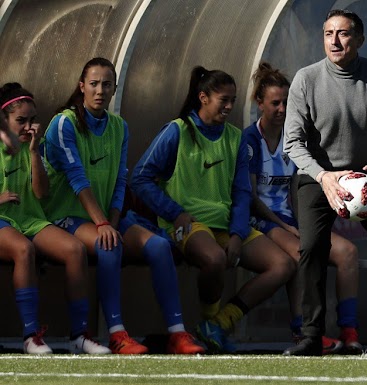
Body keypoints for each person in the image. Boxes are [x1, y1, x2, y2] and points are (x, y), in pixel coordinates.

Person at [43, 57, 204, 355]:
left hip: (106, 218)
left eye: (106, 84)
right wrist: (104, 225)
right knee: (109, 245)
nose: (100, 90)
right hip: (67, 217)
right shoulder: (64, 122)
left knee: (157, 246)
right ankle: (117, 334)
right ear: (82, 87)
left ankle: (177, 333)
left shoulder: (119, 126)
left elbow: (120, 181)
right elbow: (77, 179)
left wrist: (112, 221)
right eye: (93, 84)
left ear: (115, 88)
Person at [130, 66, 296, 354]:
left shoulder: (236, 138)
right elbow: (141, 178)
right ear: (203, 97)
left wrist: (237, 233)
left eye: (233, 100)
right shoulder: (177, 131)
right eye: (224, 100)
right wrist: (175, 213)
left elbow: (243, 193)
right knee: (215, 259)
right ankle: (208, 324)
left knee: (283, 266)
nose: (230, 106)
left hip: (225, 224)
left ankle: (217, 324)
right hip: (188, 224)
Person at [283, 9, 367, 357]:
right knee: (312, 249)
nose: (335, 41)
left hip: (366, 176)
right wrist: (324, 176)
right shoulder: (305, 79)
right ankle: (311, 337)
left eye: (343, 34)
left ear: (359, 39)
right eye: (328, 33)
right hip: (318, 177)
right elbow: (293, 143)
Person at [244, 62, 361, 355]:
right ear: (259, 103)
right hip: (262, 221)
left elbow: (296, 189)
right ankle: (305, 332)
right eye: (275, 103)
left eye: (287, 102)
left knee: (347, 252)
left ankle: (350, 332)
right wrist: (287, 227)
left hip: (289, 221)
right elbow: (252, 199)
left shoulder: (294, 138)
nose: (283, 109)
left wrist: (304, 222)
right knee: (302, 254)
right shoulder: (249, 139)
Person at [0, 83, 110, 354]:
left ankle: (79, 335)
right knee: (24, 250)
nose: (28, 127)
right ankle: (30, 336)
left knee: (74, 249)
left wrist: (35, 151)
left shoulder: (34, 146)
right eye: (20, 121)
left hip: (32, 219)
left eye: (32, 120)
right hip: (4, 220)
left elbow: (41, 192)